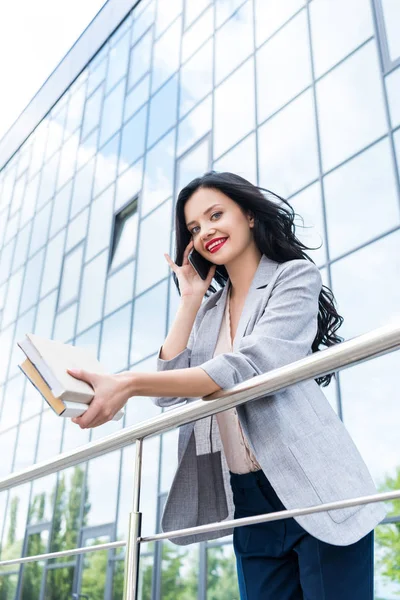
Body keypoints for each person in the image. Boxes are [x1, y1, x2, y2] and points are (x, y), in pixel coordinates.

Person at [68, 172, 387, 599]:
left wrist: (127, 383)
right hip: (250, 500)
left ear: (250, 215)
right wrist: (190, 301)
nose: (206, 232)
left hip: (316, 485)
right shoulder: (210, 312)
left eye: (215, 215)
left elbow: (252, 366)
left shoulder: (293, 278)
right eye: (195, 228)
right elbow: (175, 393)